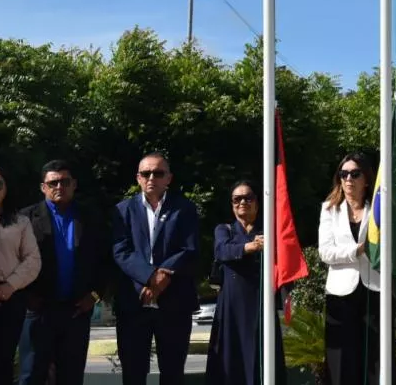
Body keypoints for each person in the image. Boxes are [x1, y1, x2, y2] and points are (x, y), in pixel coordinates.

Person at [19, 159, 110, 385]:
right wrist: (26, 295)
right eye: (53, 183)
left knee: (71, 376)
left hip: (77, 311)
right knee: (31, 375)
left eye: (64, 181)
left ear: (74, 184)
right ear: (43, 187)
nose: (59, 187)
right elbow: (15, 261)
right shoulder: (25, 219)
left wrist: (96, 295)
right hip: (38, 310)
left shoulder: (91, 217)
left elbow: (105, 260)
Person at [112, 153, 200, 385]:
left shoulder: (185, 208)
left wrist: (162, 279)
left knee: (172, 372)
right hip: (134, 302)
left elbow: (189, 249)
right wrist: (149, 278)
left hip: (174, 303)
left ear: (168, 178)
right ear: (138, 178)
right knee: (133, 372)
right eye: (146, 173)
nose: (152, 177)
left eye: (158, 173)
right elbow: (121, 251)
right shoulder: (122, 210)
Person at [318, 153, 396, 385]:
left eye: (355, 174)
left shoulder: (380, 210)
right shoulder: (329, 210)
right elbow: (326, 253)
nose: (349, 179)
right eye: (343, 174)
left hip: (375, 288)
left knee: (377, 356)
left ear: (367, 179)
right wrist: (357, 250)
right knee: (342, 357)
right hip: (341, 293)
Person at [204, 180, 286, 385]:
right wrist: (251, 247)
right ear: (231, 204)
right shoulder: (224, 230)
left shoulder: (269, 231)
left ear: (257, 203)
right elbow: (222, 251)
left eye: (248, 198)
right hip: (231, 308)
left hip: (260, 305)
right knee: (229, 362)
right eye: (237, 199)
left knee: (262, 358)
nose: (243, 202)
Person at [0, 166, 42, 385]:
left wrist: (10, 285)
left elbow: (32, 259)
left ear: (6, 188)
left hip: (11, 298)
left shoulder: (20, 222)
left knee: (4, 361)